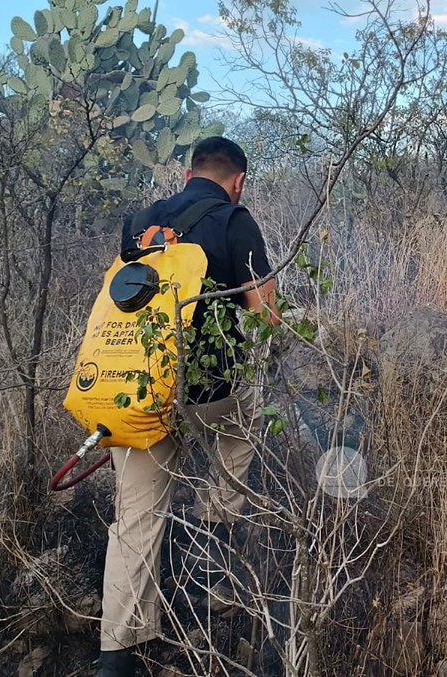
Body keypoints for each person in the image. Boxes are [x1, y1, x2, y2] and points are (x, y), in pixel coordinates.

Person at [97, 136, 280, 677]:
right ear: (238, 180)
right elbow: (267, 317)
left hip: (139, 393)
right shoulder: (235, 221)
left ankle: (115, 657)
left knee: (135, 520)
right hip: (210, 392)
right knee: (251, 412)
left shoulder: (139, 222)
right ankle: (216, 534)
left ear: (187, 174)